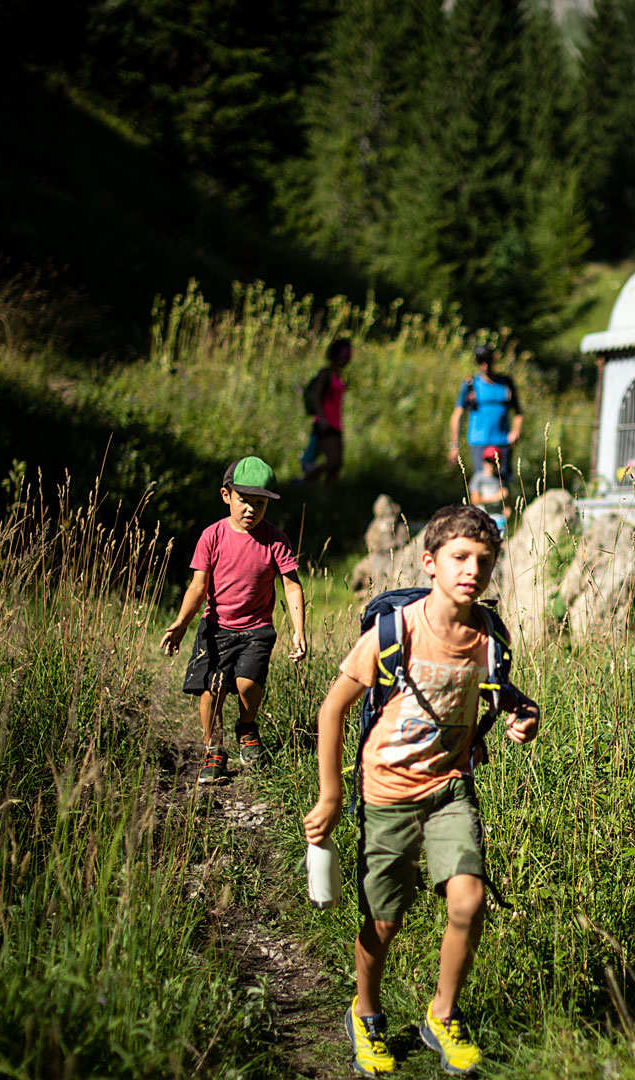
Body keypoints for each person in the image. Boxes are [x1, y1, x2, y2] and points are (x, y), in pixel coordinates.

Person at [303, 505, 540, 1077]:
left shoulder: (489, 637)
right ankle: (365, 1012)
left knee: (469, 901)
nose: (472, 570)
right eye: (460, 557)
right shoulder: (397, 631)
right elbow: (331, 709)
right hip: (386, 793)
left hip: (451, 789)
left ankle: (442, 1014)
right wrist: (331, 796)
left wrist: (521, 714)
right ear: (430, 563)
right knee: (385, 918)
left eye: (485, 561)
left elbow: (501, 693)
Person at [160, 456, 306, 784]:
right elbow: (198, 586)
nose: (251, 509)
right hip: (216, 627)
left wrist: (299, 630)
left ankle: (247, 728)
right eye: (244, 501)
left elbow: (292, 586)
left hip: (257, 628)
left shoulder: (275, 540)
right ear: (226, 496)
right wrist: (182, 623)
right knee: (211, 691)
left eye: (260, 503)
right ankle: (214, 748)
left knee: (247, 684)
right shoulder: (212, 537)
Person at [448, 345, 523, 482]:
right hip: (479, 442)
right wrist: (454, 445)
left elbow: (518, 413)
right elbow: (457, 414)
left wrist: (515, 431)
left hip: (502, 441)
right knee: (481, 481)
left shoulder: (505, 383)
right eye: (481, 362)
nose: (485, 365)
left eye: (487, 361)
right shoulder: (471, 385)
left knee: (502, 484)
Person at [304, 337, 352, 485]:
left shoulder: (339, 375)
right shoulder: (326, 373)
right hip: (325, 424)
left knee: (337, 465)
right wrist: (323, 418)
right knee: (333, 461)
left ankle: (327, 497)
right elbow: (317, 397)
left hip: (336, 424)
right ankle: (307, 478)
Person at [468, 447, 510, 538]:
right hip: (482, 517)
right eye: (488, 460)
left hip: (498, 518)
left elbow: (506, 499)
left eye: (493, 461)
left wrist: (507, 507)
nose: (490, 464)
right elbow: (475, 500)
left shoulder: (500, 479)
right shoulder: (478, 478)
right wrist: (496, 497)